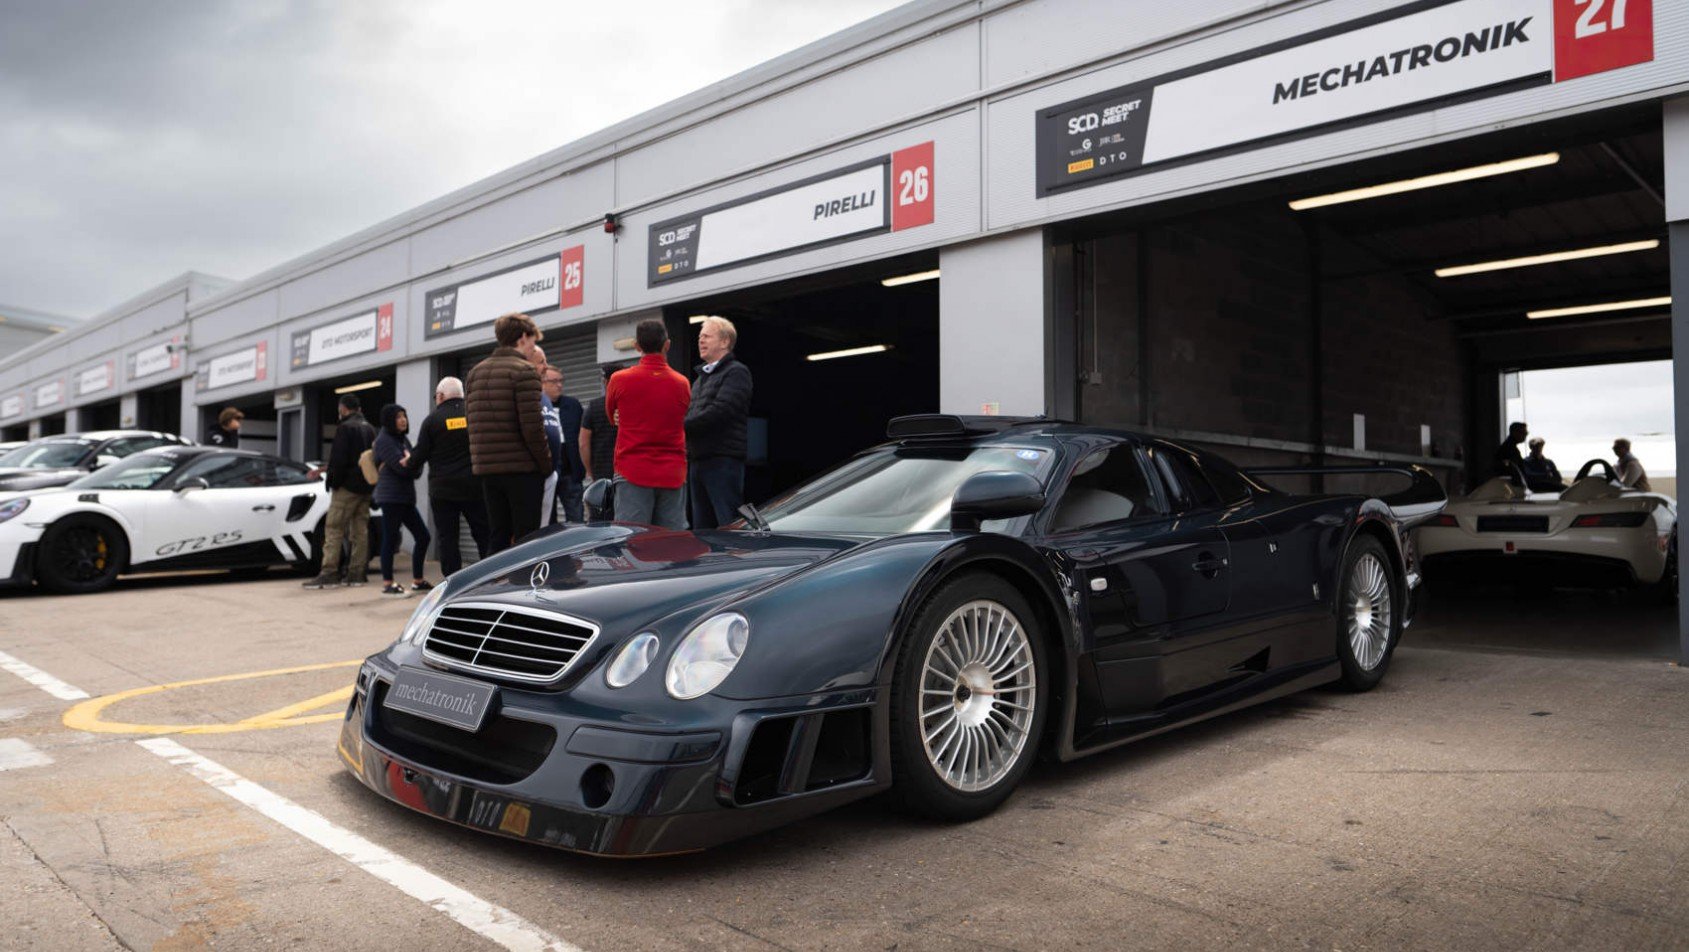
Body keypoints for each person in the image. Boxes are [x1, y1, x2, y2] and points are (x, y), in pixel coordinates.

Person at [465, 312, 551, 553]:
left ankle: (496, 577)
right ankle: (524, 578)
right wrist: (546, 464)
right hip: (522, 470)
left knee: (498, 535)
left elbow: (471, 422)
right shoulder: (524, 371)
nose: (532, 346)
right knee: (527, 539)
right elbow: (533, 428)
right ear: (523, 337)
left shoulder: (475, 373)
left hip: (487, 471)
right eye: (532, 341)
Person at [606, 318, 690, 529]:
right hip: (672, 472)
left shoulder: (619, 379)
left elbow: (611, 415)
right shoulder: (682, 383)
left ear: (637, 346)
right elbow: (683, 415)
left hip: (632, 470)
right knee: (671, 542)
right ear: (667, 345)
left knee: (632, 539)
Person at [404, 376, 487, 576]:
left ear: (440, 396)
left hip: (443, 491)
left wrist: (408, 462)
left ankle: (453, 580)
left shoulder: (432, 420)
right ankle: (491, 577)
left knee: (448, 538)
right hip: (475, 486)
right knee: (484, 533)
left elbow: (419, 455)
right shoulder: (475, 415)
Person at [685, 316, 753, 529]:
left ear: (725, 342)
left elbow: (721, 411)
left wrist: (678, 426)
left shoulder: (736, 372)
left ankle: (734, 553)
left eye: (707, 336)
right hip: (698, 461)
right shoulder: (700, 379)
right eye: (700, 336)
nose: (700, 340)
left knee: (729, 524)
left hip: (722, 461)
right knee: (702, 529)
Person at [302, 394, 376, 589]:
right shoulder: (369, 428)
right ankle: (357, 574)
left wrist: (332, 482)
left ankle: (329, 572)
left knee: (334, 528)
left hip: (346, 488)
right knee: (360, 531)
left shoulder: (345, 428)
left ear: (343, 409)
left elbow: (340, 460)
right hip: (365, 487)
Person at [372, 404, 431, 597]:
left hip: (404, 497)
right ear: (389, 420)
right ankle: (388, 584)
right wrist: (411, 461)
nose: (403, 420)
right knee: (390, 538)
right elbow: (402, 469)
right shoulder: (384, 440)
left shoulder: (402, 439)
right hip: (391, 497)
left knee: (423, 537)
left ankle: (418, 581)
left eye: (404, 416)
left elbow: (415, 468)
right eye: (398, 417)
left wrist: (411, 460)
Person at [580, 363, 625, 520]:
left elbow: (583, 443)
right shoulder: (631, 404)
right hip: (627, 473)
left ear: (605, 382)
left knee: (600, 520)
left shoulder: (594, 407)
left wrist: (590, 471)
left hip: (601, 473)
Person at [542, 364, 586, 523]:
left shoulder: (573, 405)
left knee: (576, 518)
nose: (559, 385)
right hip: (547, 470)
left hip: (570, 470)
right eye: (554, 381)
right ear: (542, 383)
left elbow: (582, 436)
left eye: (561, 381)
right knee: (548, 519)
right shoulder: (536, 406)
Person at [529, 347, 565, 523]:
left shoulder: (545, 399)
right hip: (533, 474)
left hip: (552, 473)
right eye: (541, 362)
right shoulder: (526, 394)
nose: (545, 366)